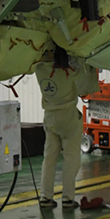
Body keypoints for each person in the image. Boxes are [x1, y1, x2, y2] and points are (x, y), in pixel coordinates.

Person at [35, 44, 98, 208]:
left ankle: (45, 197)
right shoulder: (69, 72)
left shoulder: (39, 70)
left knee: (49, 158)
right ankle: (68, 198)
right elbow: (86, 83)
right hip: (68, 117)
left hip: (50, 117)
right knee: (71, 159)